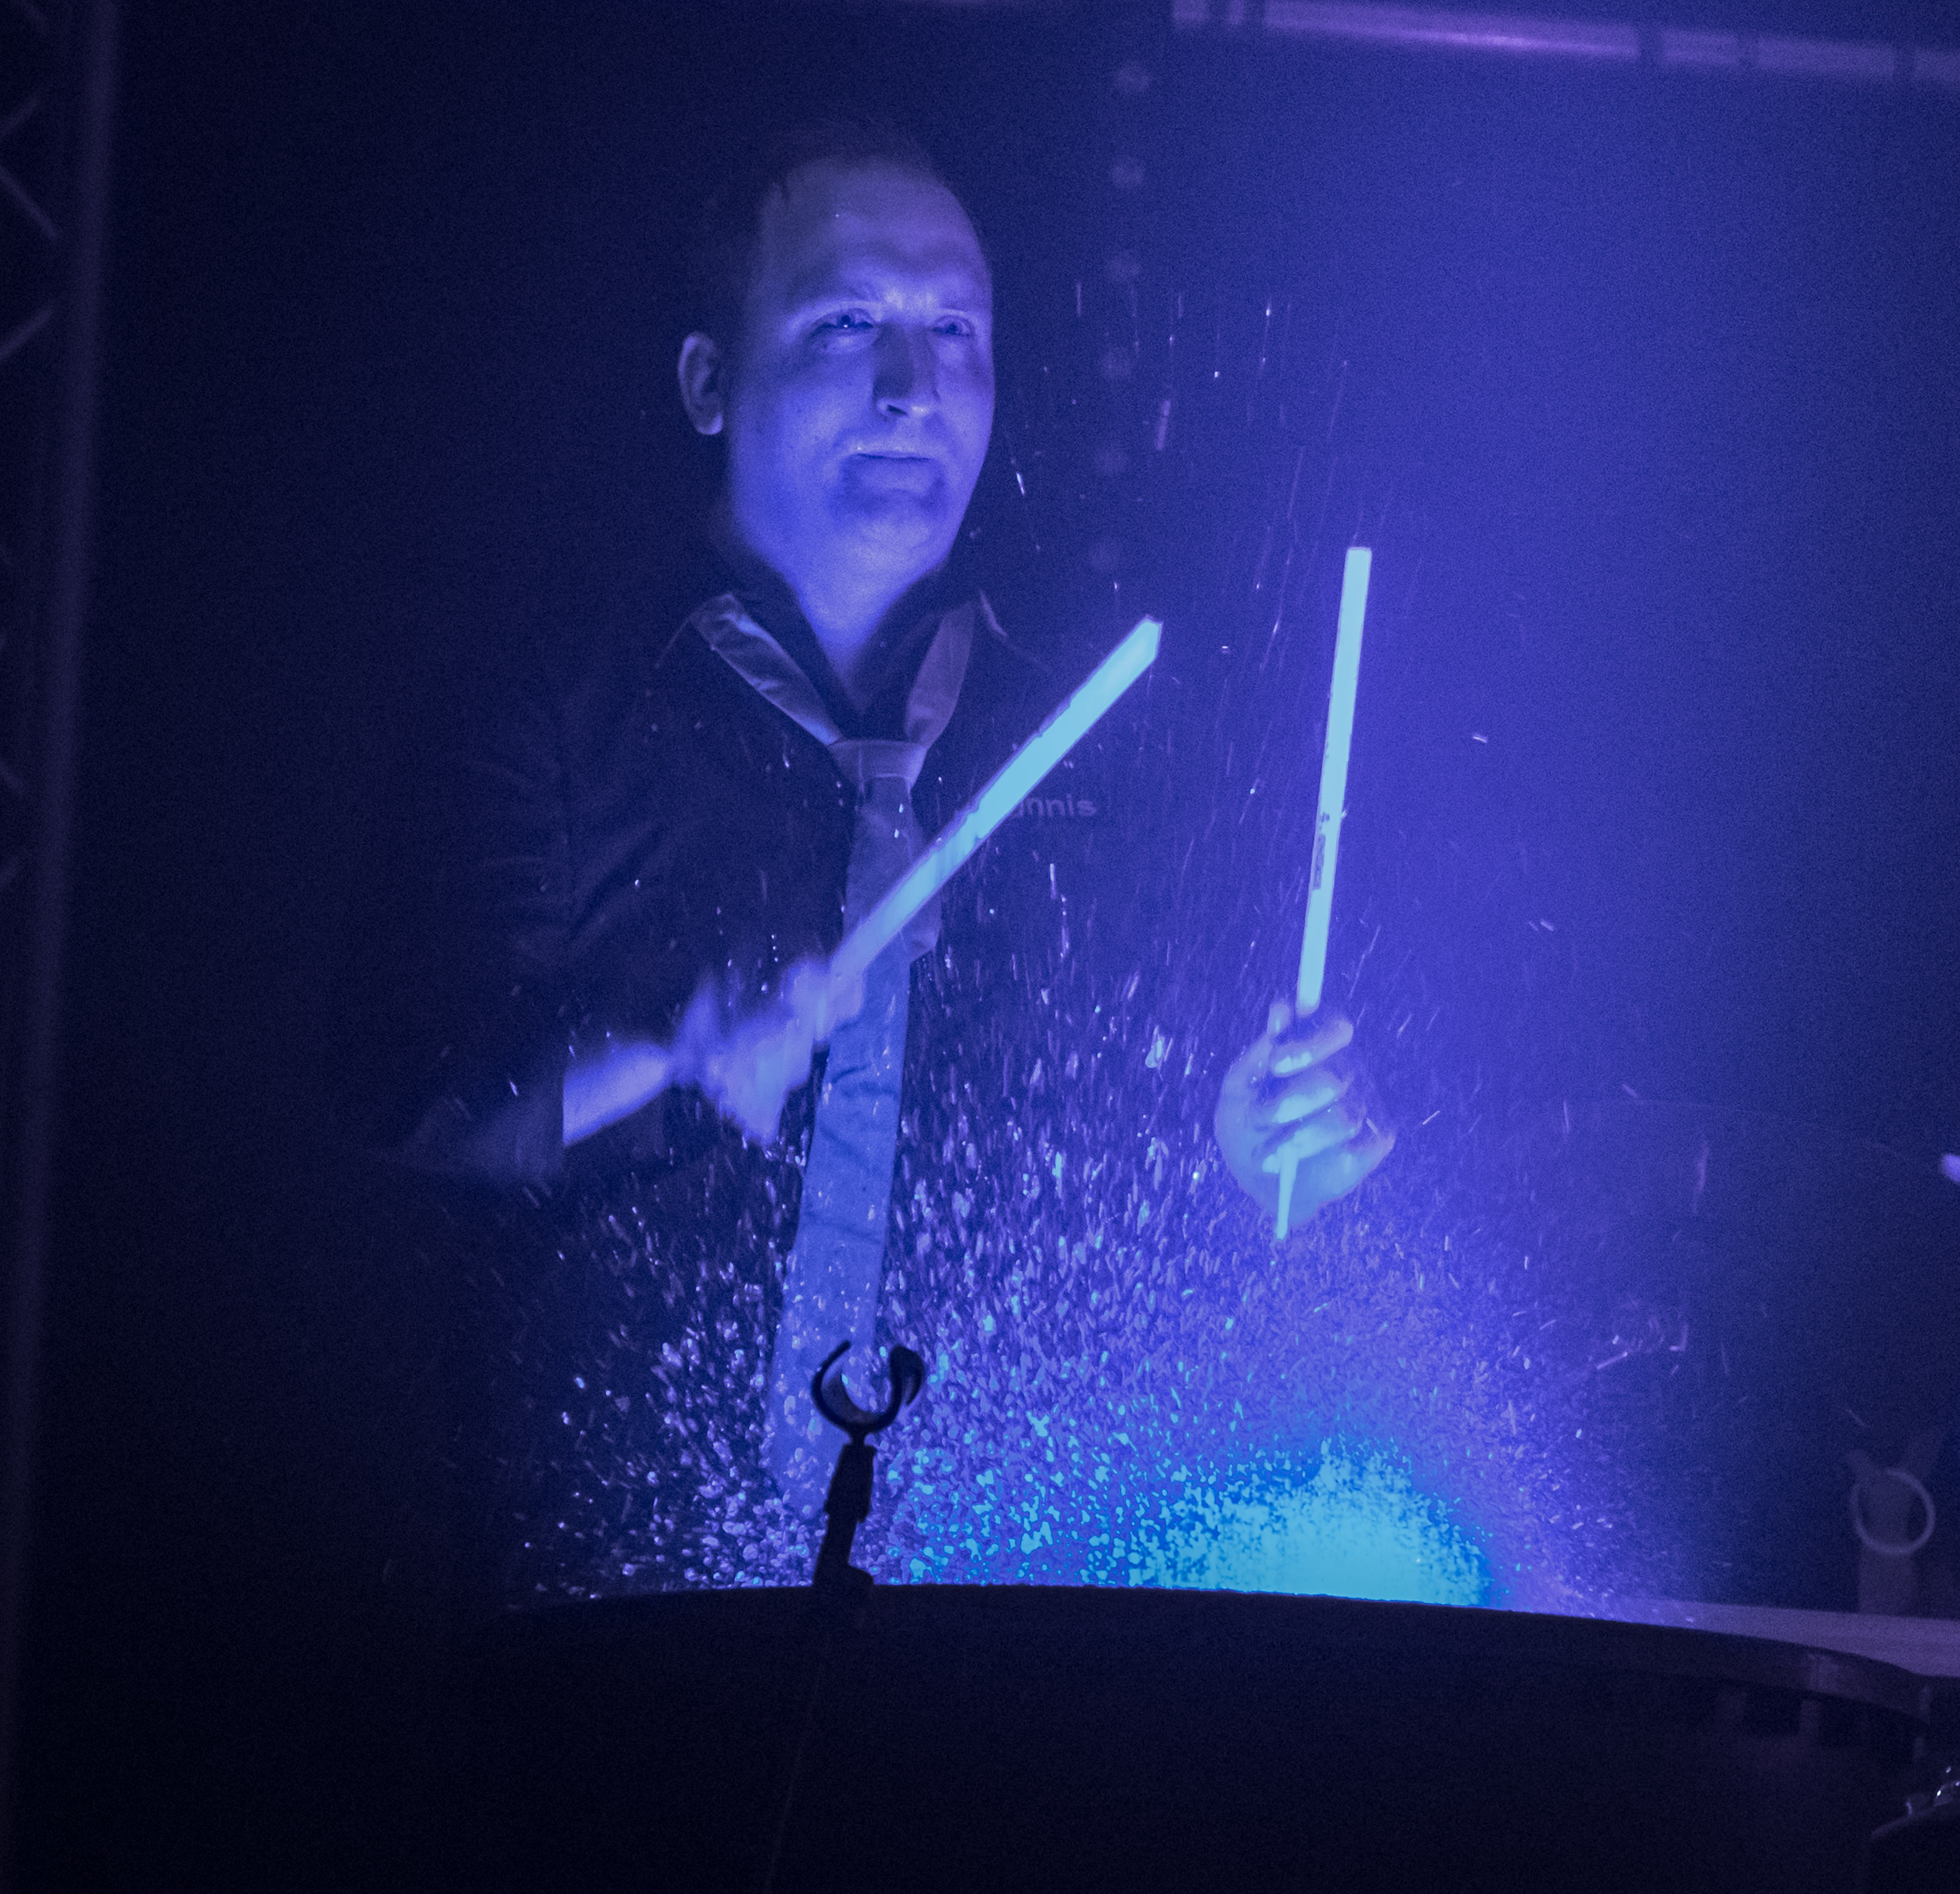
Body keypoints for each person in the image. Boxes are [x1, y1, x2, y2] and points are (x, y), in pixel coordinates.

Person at [347, 119, 1391, 1590]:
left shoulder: (1086, 739)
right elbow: (405, 1103)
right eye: (847, 324)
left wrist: (1245, 1159)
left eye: (955, 330)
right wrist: (669, 1045)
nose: (915, 387)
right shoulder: (552, 711)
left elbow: (1119, 1207)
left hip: (986, 1607)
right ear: (708, 383)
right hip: (592, 1603)